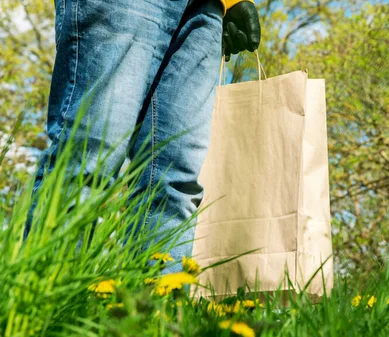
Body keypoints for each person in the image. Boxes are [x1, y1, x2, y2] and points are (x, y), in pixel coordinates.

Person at [26, 0, 261, 273]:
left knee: (174, 186)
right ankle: (47, 306)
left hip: (208, 8)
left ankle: (152, 312)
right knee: (89, 161)